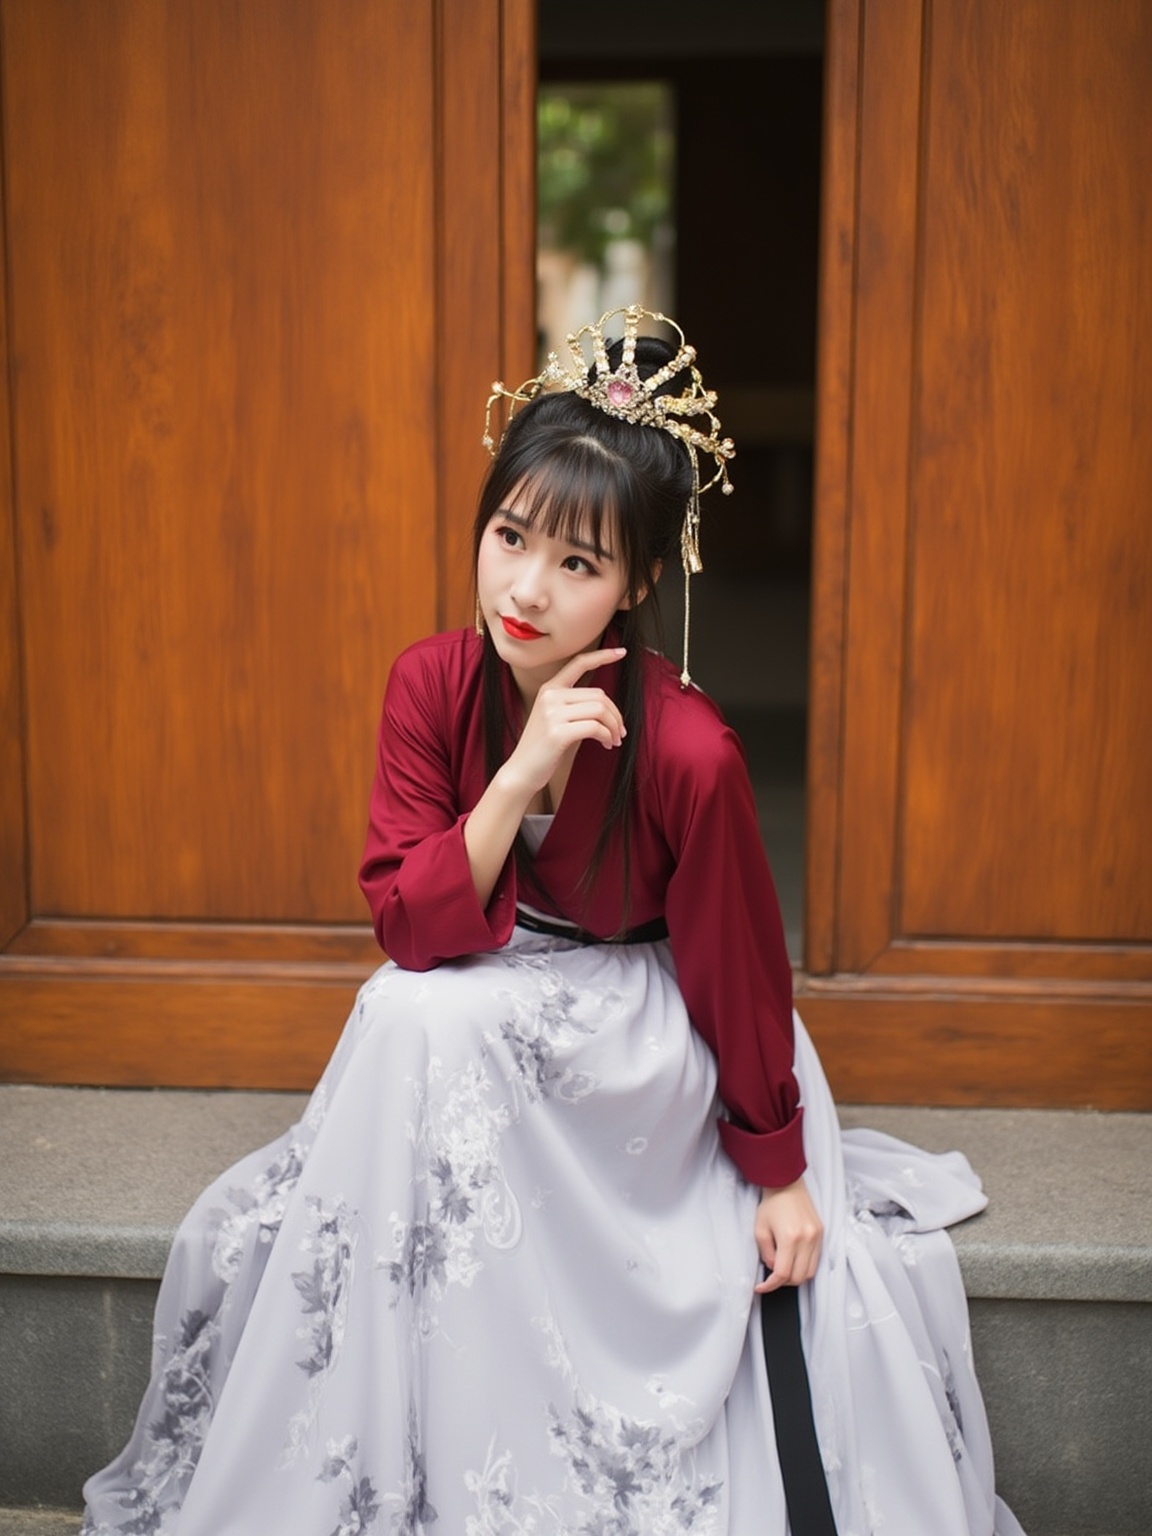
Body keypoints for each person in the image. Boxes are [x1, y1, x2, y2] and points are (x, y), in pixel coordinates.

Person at [82, 307, 1024, 1536]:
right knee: (410, 1007)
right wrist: (521, 772)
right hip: (486, 992)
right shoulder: (431, 682)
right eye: (511, 535)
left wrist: (781, 1176)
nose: (526, 587)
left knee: (424, 1020)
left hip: (648, 1028)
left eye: (578, 564)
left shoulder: (690, 752)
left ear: (637, 582)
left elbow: (738, 971)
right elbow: (409, 924)